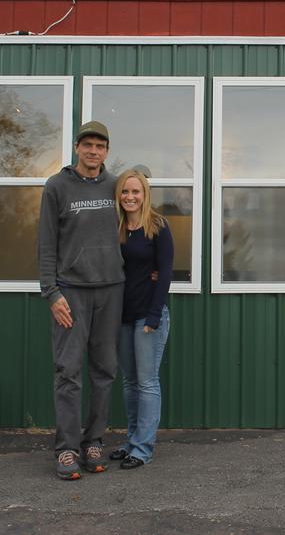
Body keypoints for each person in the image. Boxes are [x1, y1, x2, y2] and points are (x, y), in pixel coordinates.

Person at [37, 120, 124, 480]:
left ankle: (93, 441)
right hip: (70, 292)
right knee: (68, 372)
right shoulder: (57, 186)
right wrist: (51, 292)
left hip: (111, 290)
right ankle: (68, 449)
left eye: (100, 145)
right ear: (77, 148)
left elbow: (137, 225)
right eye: (87, 144)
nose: (93, 151)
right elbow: (46, 244)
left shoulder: (116, 186)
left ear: (106, 151)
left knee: (104, 371)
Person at [111, 168, 173, 469]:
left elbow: (165, 274)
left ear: (145, 194)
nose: (130, 196)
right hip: (121, 316)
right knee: (129, 382)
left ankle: (143, 449)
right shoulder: (117, 228)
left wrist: (154, 315)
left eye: (136, 191)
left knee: (147, 383)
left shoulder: (158, 226)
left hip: (148, 317)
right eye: (125, 191)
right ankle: (130, 441)